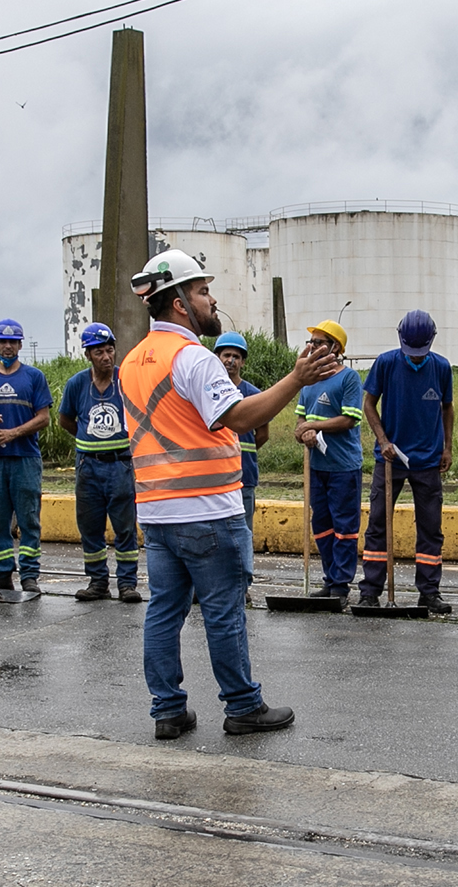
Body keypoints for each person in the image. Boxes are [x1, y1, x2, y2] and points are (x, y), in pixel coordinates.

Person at [121, 250, 339, 737]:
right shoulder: (193, 358)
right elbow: (240, 418)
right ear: (178, 303)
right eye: (201, 291)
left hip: (157, 515)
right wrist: (297, 378)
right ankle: (243, 706)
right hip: (207, 513)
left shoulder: (132, 361)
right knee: (223, 612)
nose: (210, 298)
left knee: (163, 612)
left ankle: (167, 712)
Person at [359, 309, 452, 608]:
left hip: (427, 462)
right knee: (378, 525)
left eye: (419, 352)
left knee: (430, 528)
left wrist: (447, 447)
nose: (414, 357)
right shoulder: (386, 363)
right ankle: (370, 591)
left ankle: (429, 591)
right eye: (410, 352)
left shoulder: (441, 367)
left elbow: (447, 408)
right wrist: (383, 440)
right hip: (390, 460)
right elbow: (369, 404)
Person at [0, 319, 51, 600]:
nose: (7, 347)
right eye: (2, 342)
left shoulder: (33, 377)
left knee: (28, 520)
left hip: (25, 458)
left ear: (20, 345)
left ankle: (29, 575)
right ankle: (3, 573)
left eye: (12, 342)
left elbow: (44, 418)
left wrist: (14, 433)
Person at [60, 322, 142, 602]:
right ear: (88, 355)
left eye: (110, 350)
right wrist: (88, 442)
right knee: (90, 527)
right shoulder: (77, 384)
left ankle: (127, 583)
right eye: (99, 353)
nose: (106, 357)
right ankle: (97, 581)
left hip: (120, 465)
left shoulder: (126, 382)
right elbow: (66, 420)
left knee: (125, 526)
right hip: (88, 467)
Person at [292, 319, 364, 598]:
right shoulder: (307, 381)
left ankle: (340, 583)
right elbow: (301, 417)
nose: (312, 347)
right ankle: (329, 578)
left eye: (319, 343)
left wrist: (314, 427)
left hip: (343, 466)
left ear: (336, 348)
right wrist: (303, 431)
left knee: (344, 526)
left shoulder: (348, 379)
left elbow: (349, 419)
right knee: (321, 524)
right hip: (316, 466)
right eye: (311, 342)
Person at [215, 331, 264, 534]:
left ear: (243, 362)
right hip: (215, 474)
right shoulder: (210, 391)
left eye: (236, 357)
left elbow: (262, 434)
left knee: (243, 531)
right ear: (218, 358)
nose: (231, 361)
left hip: (244, 474)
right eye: (226, 355)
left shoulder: (253, 395)